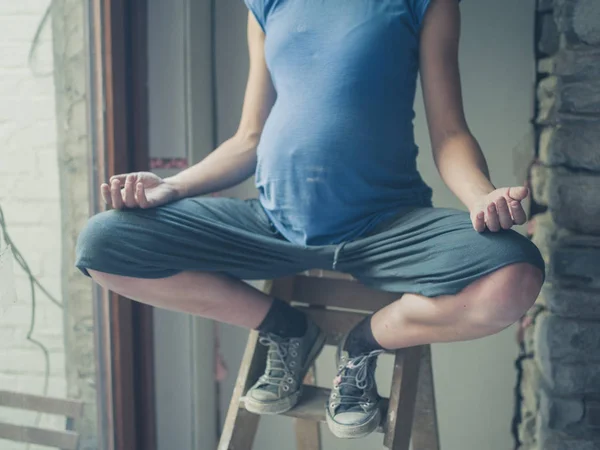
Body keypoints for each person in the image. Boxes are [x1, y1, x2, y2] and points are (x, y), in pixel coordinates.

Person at [76, 0, 545, 439]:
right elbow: (249, 138)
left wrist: (480, 196)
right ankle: (287, 328)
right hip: (270, 225)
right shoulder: (266, 2)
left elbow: (450, 132)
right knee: (104, 245)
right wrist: (172, 186)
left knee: (514, 276)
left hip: (387, 227)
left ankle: (365, 342)